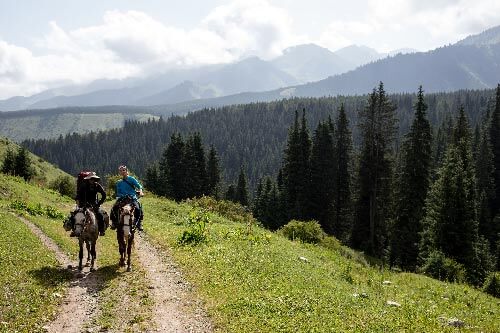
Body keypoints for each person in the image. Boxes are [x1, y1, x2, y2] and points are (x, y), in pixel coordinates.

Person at [71, 172, 107, 236]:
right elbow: (78, 195)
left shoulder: (97, 185)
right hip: (83, 204)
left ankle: (101, 230)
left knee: (100, 215)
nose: (92, 180)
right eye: (91, 179)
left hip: (94, 205)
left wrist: (98, 204)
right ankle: (74, 230)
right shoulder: (83, 186)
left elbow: (104, 195)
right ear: (88, 179)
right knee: (75, 215)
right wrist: (79, 202)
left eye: (93, 179)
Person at [110, 165, 144, 231]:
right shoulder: (119, 182)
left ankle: (139, 222)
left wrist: (141, 191)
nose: (122, 172)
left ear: (126, 171)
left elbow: (139, 186)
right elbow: (118, 192)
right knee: (114, 208)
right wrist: (119, 196)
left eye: (123, 170)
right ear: (119, 172)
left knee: (137, 208)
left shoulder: (131, 179)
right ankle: (114, 222)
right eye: (120, 170)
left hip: (132, 197)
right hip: (122, 198)